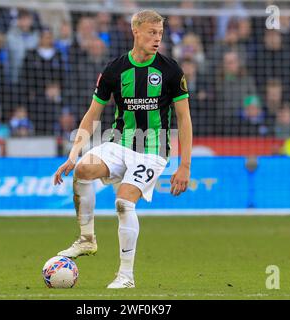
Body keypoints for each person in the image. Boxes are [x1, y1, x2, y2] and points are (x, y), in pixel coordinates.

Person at [53, 10, 192, 289]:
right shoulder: (115, 70)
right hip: (119, 143)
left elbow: (184, 118)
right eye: (152, 33)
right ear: (136, 32)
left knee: (123, 201)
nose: (157, 39)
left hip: (152, 150)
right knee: (83, 169)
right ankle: (87, 239)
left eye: (160, 34)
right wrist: (73, 153)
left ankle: (126, 276)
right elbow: (92, 114)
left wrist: (184, 164)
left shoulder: (171, 70)